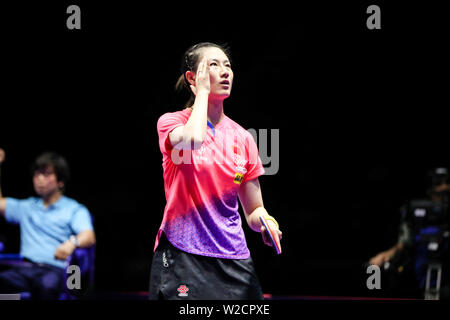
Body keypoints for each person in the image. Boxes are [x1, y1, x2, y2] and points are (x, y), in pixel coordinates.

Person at [149, 42, 283, 300]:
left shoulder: (243, 138)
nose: (225, 72)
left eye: (228, 66)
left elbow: (254, 209)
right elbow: (194, 139)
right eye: (213, 65)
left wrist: (267, 223)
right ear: (192, 77)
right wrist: (201, 93)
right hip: (182, 254)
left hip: (234, 259)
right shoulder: (171, 122)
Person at [0, 149, 96, 300]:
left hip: (54, 270)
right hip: (24, 269)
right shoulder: (27, 207)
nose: (39, 179)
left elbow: (88, 236)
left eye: (46, 174)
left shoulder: (74, 209)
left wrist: (72, 242)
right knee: (4, 289)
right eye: (37, 174)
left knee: (46, 286)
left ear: (60, 181)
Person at [368, 167, 450, 299]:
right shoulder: (415, 210)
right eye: (438, 182)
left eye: (447, 181)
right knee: (373, 269)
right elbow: (405, 241)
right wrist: (388, 254)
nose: (444, 186)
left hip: (445, 270)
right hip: (419, 267)